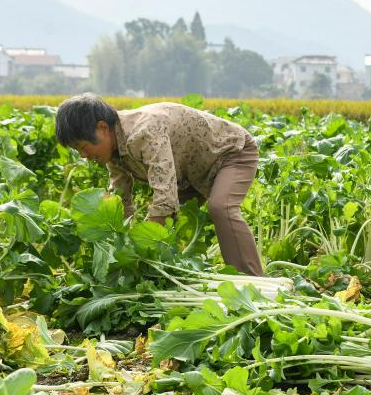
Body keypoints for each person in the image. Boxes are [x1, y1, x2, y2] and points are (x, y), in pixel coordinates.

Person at [55, 94, 264, 276]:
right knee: (174, 224)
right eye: (77, 150)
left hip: (230, 152)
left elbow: (165, 198)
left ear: (102, 128)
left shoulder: (145, 132)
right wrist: (118, 244)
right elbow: (121, 201)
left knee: (220, 207)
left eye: (83, 146)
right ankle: (168, 276)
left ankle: (253, 282)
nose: (83, 155)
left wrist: (138, 249)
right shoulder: (113, 151)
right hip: (189, 173)